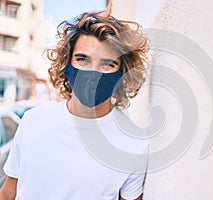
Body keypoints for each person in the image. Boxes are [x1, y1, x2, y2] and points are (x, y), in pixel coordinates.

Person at [0, 2, 150, 200]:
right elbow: (8, 193)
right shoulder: (32, 121)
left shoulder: (133, 143)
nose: (93, 74)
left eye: (108, 64)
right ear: (66, 64)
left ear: (123, 73)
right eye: (82, 59)